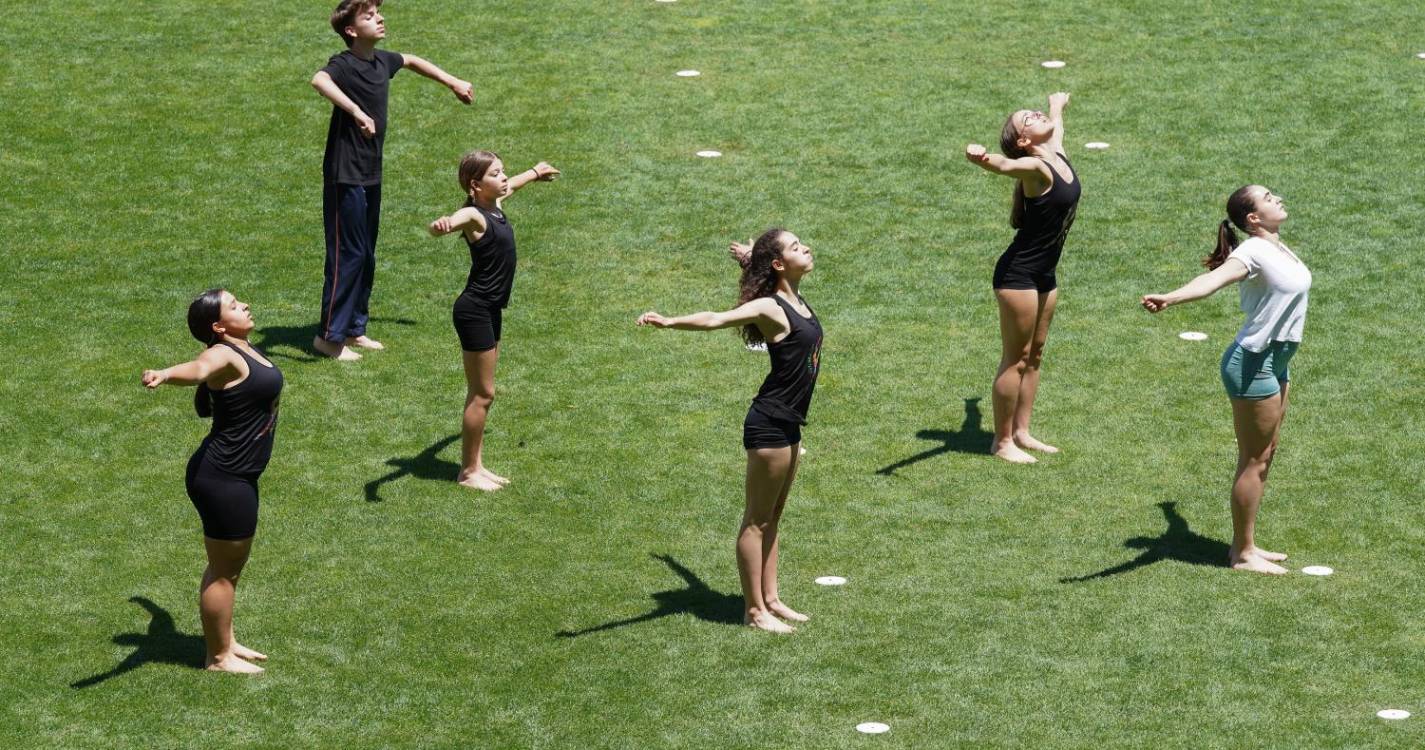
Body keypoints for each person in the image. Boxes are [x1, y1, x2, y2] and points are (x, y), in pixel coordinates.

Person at [638, 228, 822, 633]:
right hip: (770, 423)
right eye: (794, 247)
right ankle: (754, 611)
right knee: (756, 519)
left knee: (774, 515)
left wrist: (749, 256)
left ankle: (771, 599)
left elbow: (763, 267)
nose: (805, 247)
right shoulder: (772, 307)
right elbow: (716, 319)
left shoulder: (793, 295)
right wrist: (670, 321)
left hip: (790, 422)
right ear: (778, 264)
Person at [1141, 185, 1310, 575]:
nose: (1278, 198)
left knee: (1265, 455)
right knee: (1254, 459)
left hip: (1276, 360)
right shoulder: (1250, 252)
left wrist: (1172, 515)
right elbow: (1213, 281)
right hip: (1253, 363)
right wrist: (1171, 297)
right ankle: (1243, 554)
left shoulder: (1276, 246)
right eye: (1268, 197)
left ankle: (1246, 544)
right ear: (1252, 218)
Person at [310, 0, 473, 360]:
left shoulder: (381, 61)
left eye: (377, 13)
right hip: (345, 174)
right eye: (369, 16)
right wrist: (354, 111)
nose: (379, 18)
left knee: (366, 252)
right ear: (351, 31)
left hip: (369, 172)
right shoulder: (345, 63)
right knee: (346, 254)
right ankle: (327, 338)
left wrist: (453, 82)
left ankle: (354, 329)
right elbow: (319, 80)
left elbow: (412, 60)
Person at [141, 290, 284, 672]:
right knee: (224, 572)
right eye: (234, 306)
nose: (246, 305)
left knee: (224, 569)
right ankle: (218, 657)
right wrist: (166, 374)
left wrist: (150, 610)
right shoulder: (222, 353)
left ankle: (226, 641)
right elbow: (199, 369)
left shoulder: (244, 348)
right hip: (224, 478)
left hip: (233, 475)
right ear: (218, 327)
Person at [428, 151, 559, 491]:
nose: (503, 178)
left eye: (502, 172)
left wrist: (534, 172)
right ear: (475, 185)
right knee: (483, 394)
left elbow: (512, 186)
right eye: (495, 174)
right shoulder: (474, 213)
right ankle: (468, 472)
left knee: (483, 393)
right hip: (474, 310)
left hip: (490, 310)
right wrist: (441, 225)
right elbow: (454, 219)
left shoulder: (495, 205)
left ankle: (477, 465)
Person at [964, 92, 1078, 463]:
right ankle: (1001, 442)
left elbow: (1057, 128)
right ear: (1025, 142)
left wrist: (1056, 105)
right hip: (1018, 276)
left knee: (1036, 354)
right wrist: (983, 160)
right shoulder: (1034, 167)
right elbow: (1004, 166)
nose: (1034, 114)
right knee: (1016, 356)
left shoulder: (1055, 151)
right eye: (1026, 119)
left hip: (1045, 272)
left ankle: (1022, 431)